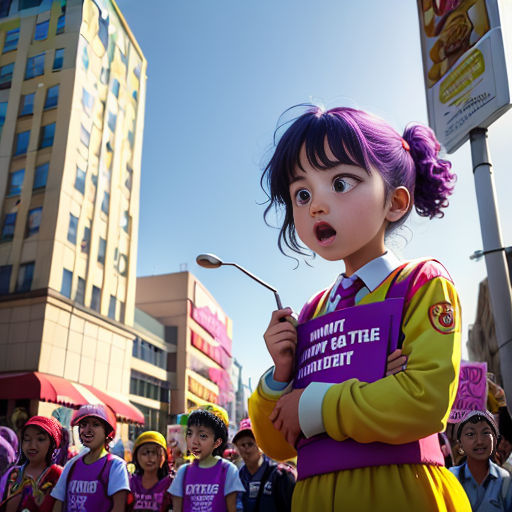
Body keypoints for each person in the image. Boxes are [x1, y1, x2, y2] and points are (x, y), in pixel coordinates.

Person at [248, 105, 472, 511]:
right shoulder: (313, 310)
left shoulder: (421, 283)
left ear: (396, 202)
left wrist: (310, 404)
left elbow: (423, 400)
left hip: (403, 491)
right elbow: (278, 444)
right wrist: (282, 378)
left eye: (341, 182)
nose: (316, 205)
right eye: (302, 193)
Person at [51, 404, 129, 512]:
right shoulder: (71, 465)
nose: (87, 430)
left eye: (95, 424)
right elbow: (58, 503)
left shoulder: (116, 466)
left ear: (107, 432)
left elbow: (119, 507)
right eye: (83, 425)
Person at [168, 407, 244, 512]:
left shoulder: (228, 470)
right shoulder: (183, 472)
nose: (194, 441)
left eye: (203, 436)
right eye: (190, 434)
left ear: (217, 442)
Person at [450, 410, 512, 511]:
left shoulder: (505, 480)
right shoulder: (451, 478)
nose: (479, 441)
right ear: (460, 443)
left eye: (486, 433)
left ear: (495, 439)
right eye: (470, 434)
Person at [0, 416, 63, 512]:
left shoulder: (58, 475)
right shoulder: (13, 473)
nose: (32, 446)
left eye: (40, 439)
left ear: (53, 444)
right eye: (27, 439)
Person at [232, 418, 295, 512]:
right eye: (242, 445)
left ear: (261, 446)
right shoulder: (236, 478)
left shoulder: (280, 475)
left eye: (250, 444)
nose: (246, 449)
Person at [128, 431, 172, 512]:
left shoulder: (171, 484)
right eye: (144, 453)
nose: (150, 458)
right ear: (136, 456)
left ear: (165, 457)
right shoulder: (129, 483)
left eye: (155, 453)